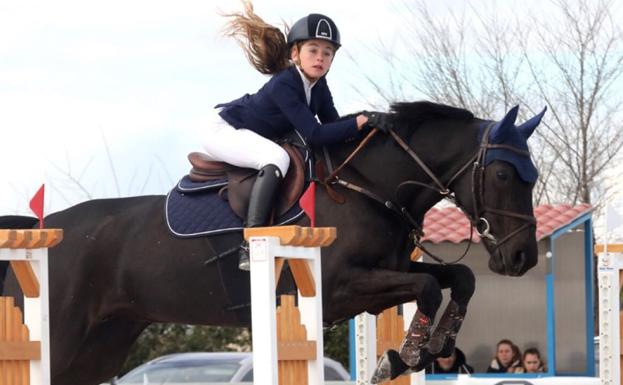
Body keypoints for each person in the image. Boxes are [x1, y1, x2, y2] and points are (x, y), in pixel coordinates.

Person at [204, 2, 391, 270]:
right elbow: (315, 135)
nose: (320, 58)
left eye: (327, 53)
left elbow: (333, 125)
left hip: (246, 130)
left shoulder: (319, 86)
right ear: (295, 54)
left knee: (280, 154)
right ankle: (252, 241)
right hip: (222, 129)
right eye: (313, 50)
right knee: (276, 158)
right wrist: (359, 122)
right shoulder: (284, 84)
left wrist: (368, 120)